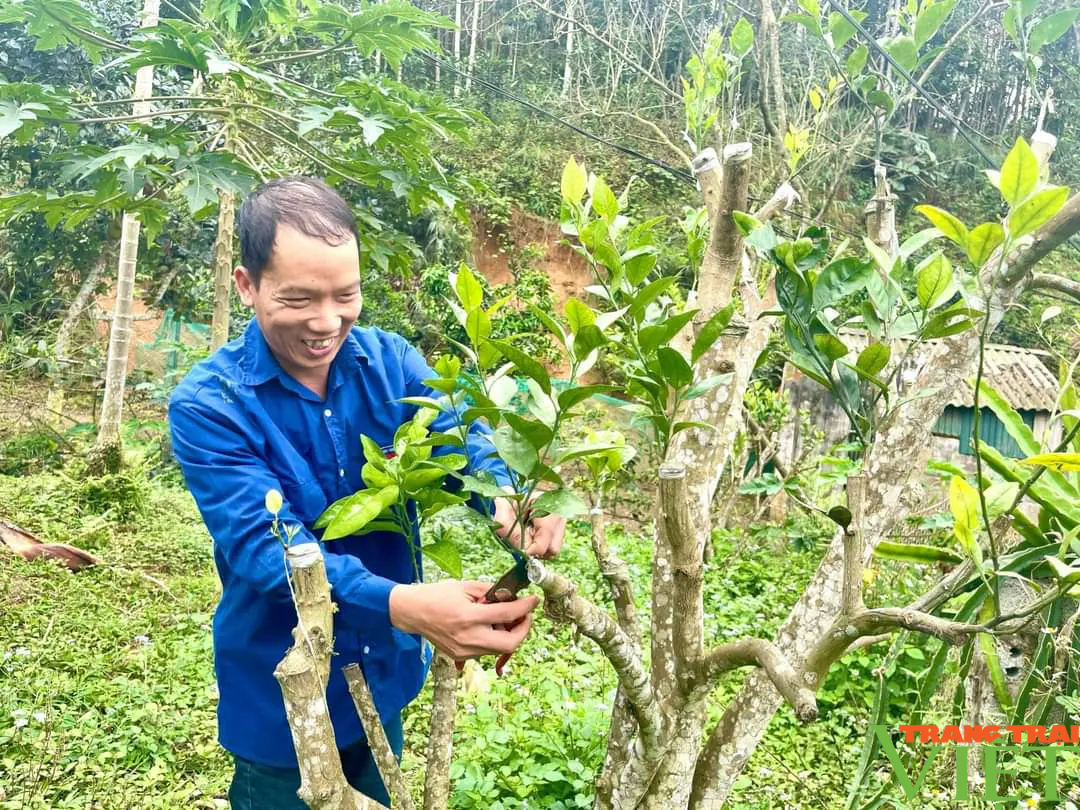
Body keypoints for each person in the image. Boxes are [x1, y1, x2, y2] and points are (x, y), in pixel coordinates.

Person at [168, 177, 566, 808]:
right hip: (282, 698)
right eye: (298, 298)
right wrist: (405, 604)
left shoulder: (391, 362)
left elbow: (460, 436)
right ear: (247, 285)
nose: (327, 322)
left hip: (385, 675)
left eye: (345, 295)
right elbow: (266, 548)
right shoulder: (210, 405)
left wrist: (509, 500)